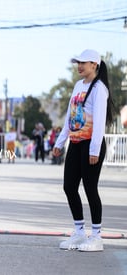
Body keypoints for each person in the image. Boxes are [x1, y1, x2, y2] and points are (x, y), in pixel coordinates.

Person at [52, 49, 114, 252]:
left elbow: (98, 122)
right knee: (69, 187)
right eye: (78, 62)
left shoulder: (99, 88)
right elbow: (71, 117)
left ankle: (96, 236)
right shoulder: (79, 85)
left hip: (90, 145)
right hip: (76, 144)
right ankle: (79, 232)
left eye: (83, 63)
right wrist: (60, 143)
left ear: (94, 64)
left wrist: (94, 149)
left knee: (90, 189)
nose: (79, 66)